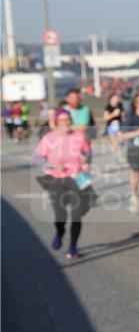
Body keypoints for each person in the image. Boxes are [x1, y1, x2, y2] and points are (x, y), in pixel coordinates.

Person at [33, 107, 96, 259]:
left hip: (76, 177)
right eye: (62, 120)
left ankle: (73, 247)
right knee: (60, 215)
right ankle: (60, 233)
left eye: (68, 119)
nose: (66, 122)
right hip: (55, 178)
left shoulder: (79, 136)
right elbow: (37, 158)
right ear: (57, 122)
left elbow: (88, 153)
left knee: (77, 214)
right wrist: (52, 165)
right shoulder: (49, 138)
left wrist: (87, 162)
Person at [102, 93, 125, 159]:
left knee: (120, 140)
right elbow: (105, 118)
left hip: (120, 125)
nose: (116, 99)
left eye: (117, 98)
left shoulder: (120, 105)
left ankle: (117, 152)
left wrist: (122, 114)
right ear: (110, 99)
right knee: (114, 142)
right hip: (111, 126)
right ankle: (117, 156)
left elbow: (123, 114)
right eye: (114, 98)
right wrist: (113, 114)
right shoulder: (108, 107)